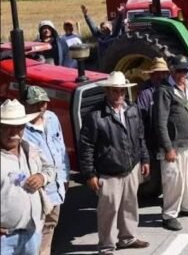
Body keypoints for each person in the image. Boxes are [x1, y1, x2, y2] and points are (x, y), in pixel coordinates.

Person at [79, 71, 150, 254]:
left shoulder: (132, 109)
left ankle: (127, 238)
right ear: (107, 91)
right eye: (114, 91)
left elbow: (140, 136)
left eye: (121, 91)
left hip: (131, 167)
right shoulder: (95, 115)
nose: (119, 95)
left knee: (130, 206)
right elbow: (86, 146)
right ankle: (106, 246)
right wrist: (90, 174)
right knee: (108, 211)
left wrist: (144, 158)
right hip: (108, 171)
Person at [155, 55, 188, 231]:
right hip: (173, 146)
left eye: (185, 70)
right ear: (172, 70)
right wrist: (168, 148)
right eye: (179, 70)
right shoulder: (164, 90)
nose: (183, 74)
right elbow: (160, 122)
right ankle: (169, 215)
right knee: (173, 182)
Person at [0, 99, 55, 255]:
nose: (14, 133)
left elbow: (50, 168)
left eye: (19, 127)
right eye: (7, 127)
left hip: (32, 233)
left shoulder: (29, 148)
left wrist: (42, 177)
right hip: (4, 239)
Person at [22, 86, 70, 255]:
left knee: (49, 229)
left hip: (55, 188)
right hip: (37, 191)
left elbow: (61, 148)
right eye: (35, 104)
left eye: (43, 103)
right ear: (25, 105)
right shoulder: (21, 129)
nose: (40, 107)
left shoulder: (52, 118)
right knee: (32, 236)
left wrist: (65, 176)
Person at [135, 57, 170, 194]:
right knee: (154, 170)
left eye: (163, 73)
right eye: (157, 73)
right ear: (152, 74)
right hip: (152, 137)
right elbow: (141, 118)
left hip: (167, 136)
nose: (161, 76)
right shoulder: (145, 93)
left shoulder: (168, 89)